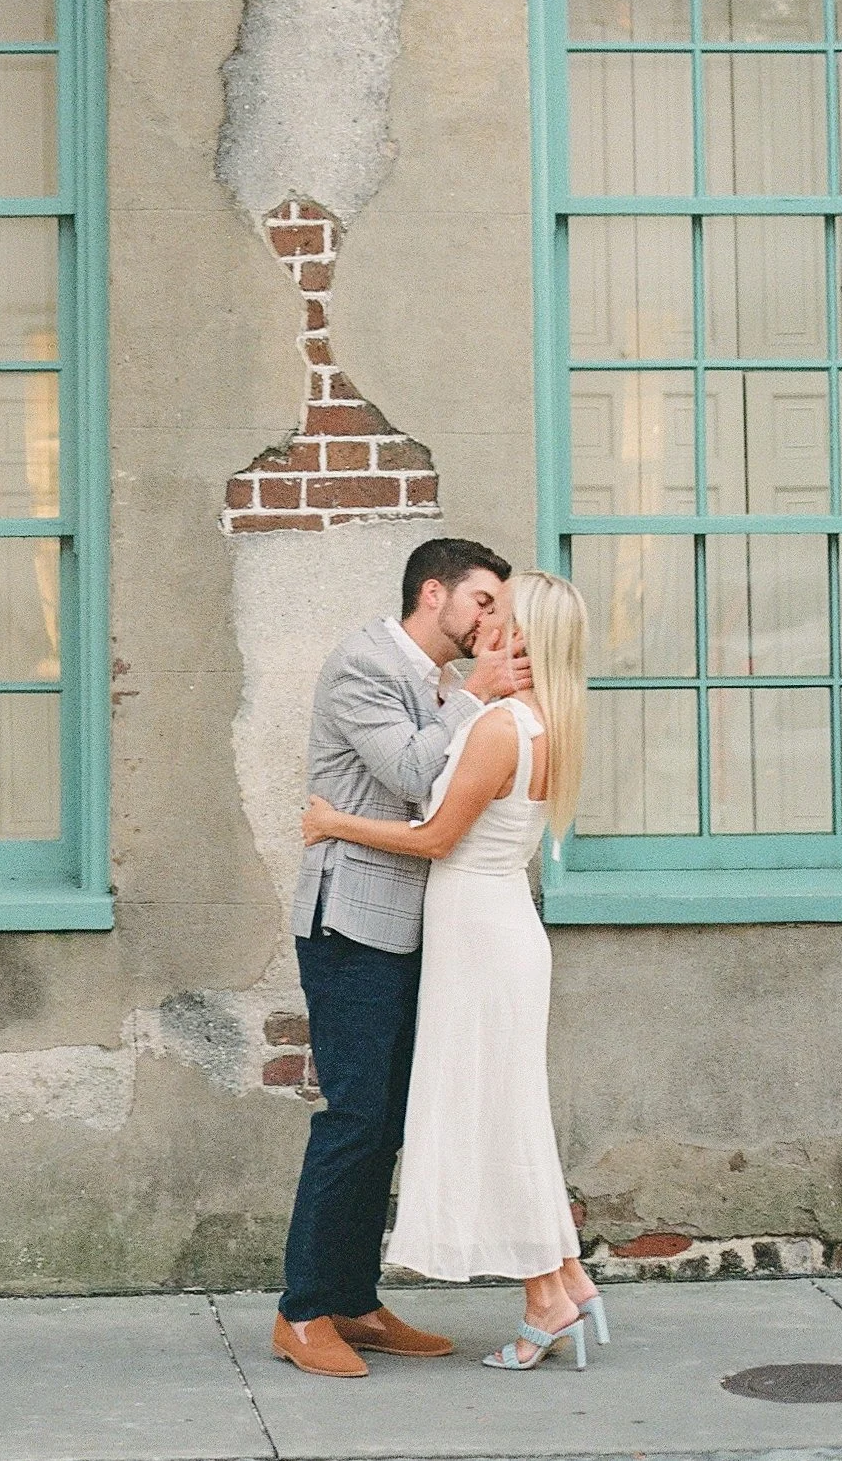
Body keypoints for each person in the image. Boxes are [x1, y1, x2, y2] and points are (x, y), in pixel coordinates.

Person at [301, 567, 603, 1373]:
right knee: (504, 1110)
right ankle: (563, 1276)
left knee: (495, 1114)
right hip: (489, 926)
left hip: (480, 931)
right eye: (483, 600)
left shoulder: (502, 723)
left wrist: (334, 821)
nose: (485, 619)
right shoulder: (543, 721)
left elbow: (435, 834)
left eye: (498, 610)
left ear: (522, 636)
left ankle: (549, 1290)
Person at [271, 536, 527, 1381]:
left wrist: (469, 696)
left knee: (386, 1123)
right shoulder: (365, 666)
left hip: (412, 929)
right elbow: (416, 775)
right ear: (434, 593)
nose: (492, 620)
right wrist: (477, 696)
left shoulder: (432, 683)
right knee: (352, 1118)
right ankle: (302, 1312)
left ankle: (354, 1299)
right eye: (483, 601)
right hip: (351, 926)